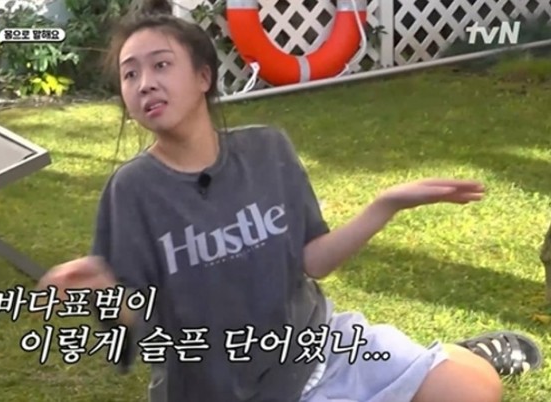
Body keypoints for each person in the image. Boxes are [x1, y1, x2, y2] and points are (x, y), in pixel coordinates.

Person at [37, 1, 543, 401]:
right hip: (221, 391)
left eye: (161, 65)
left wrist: (385, 204)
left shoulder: (267, 149)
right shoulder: (132, 190)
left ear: (203, 77)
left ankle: (466, 355)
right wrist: (105, 294)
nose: (145, 83)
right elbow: (140, 334)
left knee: (473, 389)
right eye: (130, 74)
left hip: (317, 348)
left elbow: (312, 260)